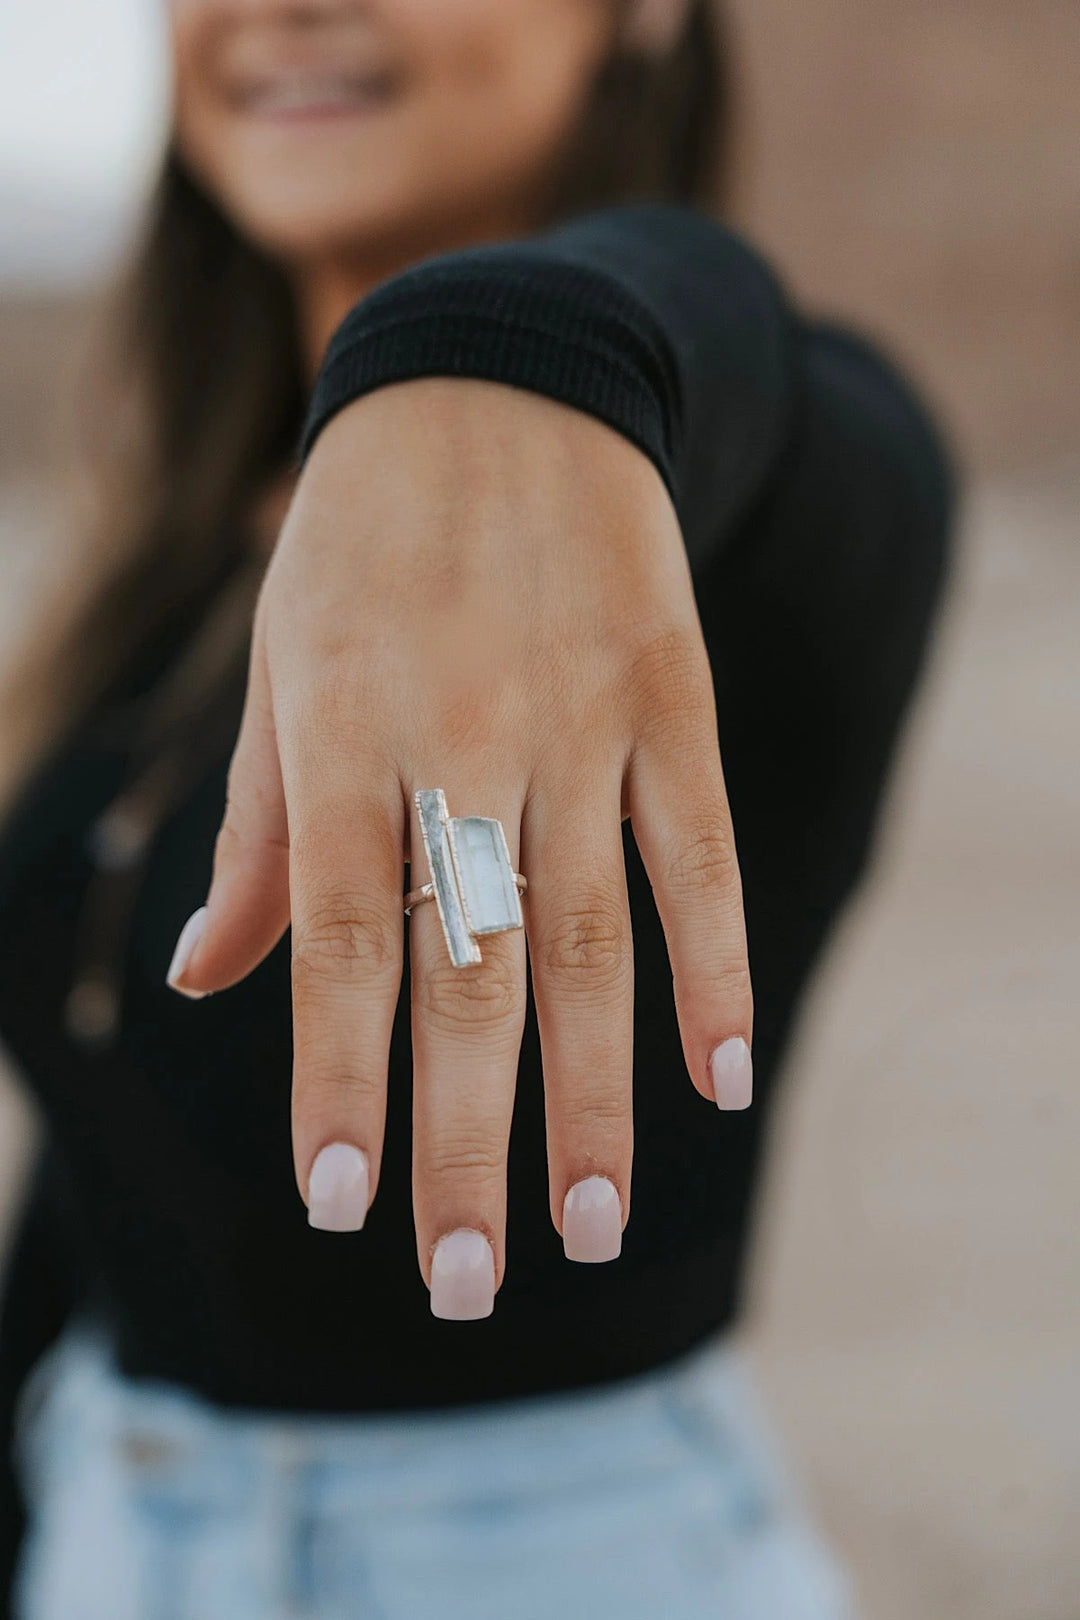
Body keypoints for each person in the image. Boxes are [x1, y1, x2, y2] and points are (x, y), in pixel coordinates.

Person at [0, 0, 952, 1614]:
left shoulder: (744, 481)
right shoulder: (172, 558)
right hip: (106, 1515)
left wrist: (513, 348)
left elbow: (747, 347)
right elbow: (105, 1169)